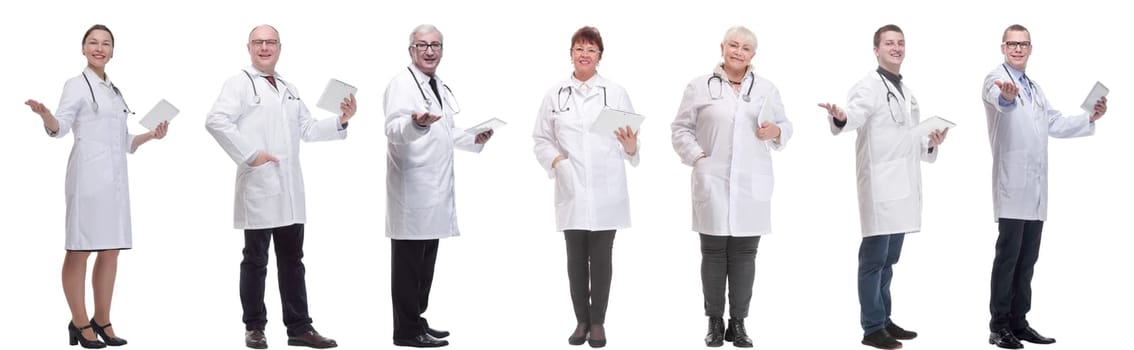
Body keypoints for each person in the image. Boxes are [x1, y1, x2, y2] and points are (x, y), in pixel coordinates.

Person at [205, 24, 355, 349]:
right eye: (258, 42)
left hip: (288, 191)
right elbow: (215, 120)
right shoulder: (239, 84)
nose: (264, 47)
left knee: (293, 260)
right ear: (248, 47)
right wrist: (250, 154)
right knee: (255, 260)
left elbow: (309, 129)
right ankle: (254, 327)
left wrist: (341, 119)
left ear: (279, 47)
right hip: (259, 187)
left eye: (270, 42)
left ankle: (300, 328)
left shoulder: (290, 87)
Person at [25, 24, 170, 349]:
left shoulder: (114, 91)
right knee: (80, 249)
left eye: (106, 43)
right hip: (88, 179)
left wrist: (151, 135)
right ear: (83, 48)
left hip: (116, 181)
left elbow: (123, 140)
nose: (99, 48)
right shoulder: (75, 85)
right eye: (93, 42)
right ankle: (79, 321)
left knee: (111, 250)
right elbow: (60, 128)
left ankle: (101, 320)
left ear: (113, 51)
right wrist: (47, 115)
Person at [817, 24, 948, 350]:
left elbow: (912, 140)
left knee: (889, 260)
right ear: (876, 49)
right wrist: (840, 116)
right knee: (873, 260)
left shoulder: (907, 91)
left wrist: (931, 142)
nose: (896, 48)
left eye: (901, 43)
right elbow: (854, 116)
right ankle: (872, 327)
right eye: (889, 43)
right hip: (880, 186)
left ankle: (885, 319)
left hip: (903, 186)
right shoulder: (868, 87)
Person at [982, 24, 1107, 350]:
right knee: (1008, 257)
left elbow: (1054, 122)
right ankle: (998, 327)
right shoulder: (996, 78)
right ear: (1003, 47)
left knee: (1027, 259)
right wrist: (1006, 97)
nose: (1018, 49)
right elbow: (999, 100)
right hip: (1012, 186)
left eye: (1023, 44)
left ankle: (1019, 323)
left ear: (1030, 48)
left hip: (1035, 190)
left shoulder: (1034, 88)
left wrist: (1089, 117)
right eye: (1012, 44)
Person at [671, 26, 793, 349]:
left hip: (751, 184)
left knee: (744, 255)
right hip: (712, 179)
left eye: (746, 48)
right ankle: (715, 321)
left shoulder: (766, 88)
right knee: (712, 254)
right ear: (722, 47)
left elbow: (786, 125)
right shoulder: (699, 86)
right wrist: (698, 157)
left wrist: (776, 131)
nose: (739, 52)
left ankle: (738, 322)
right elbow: (680, 128)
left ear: (754, 54)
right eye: (734, 45)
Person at [383, 24, 495, 348]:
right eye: (422, 45)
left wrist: (474, 138)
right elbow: (393, 128)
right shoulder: (401, 84)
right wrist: (414, 123)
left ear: (442, 50)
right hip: (412, 189)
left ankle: (416, 320)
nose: (430, 51)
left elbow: (444, 131)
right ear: (411, 51)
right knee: (408, 265)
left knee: (425, 264)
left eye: (435, 45)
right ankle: (405, 331)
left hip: (433, 189)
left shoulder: (437, 85)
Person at [532, 26, 640, 349]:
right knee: (575, 259)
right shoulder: (556, 94)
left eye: (591, 49)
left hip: (607, 190)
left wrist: (632, 145)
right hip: (572, 187)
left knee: (601, 258)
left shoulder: (615, 92)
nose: (584, 54)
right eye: (579, 48)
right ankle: (581, 319)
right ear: (571, 54)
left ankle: (598, 323)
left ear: (599, 56)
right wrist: (557, 163)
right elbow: (540, 139)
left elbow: (630, 146)